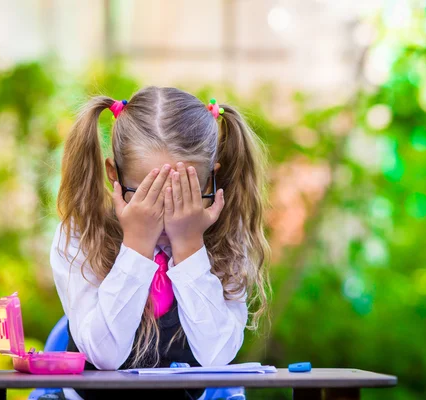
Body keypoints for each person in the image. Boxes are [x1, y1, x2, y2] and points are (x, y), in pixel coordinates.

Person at [49, 86, 270, 399]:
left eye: (181, 196)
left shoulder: (226, 239)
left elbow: (216, 356)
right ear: (114, 175)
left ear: (209, 182)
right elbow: (105, 356)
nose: (164, 215)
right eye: (145, 195)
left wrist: (190, 247)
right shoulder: (80, 235)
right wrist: (137, 245)